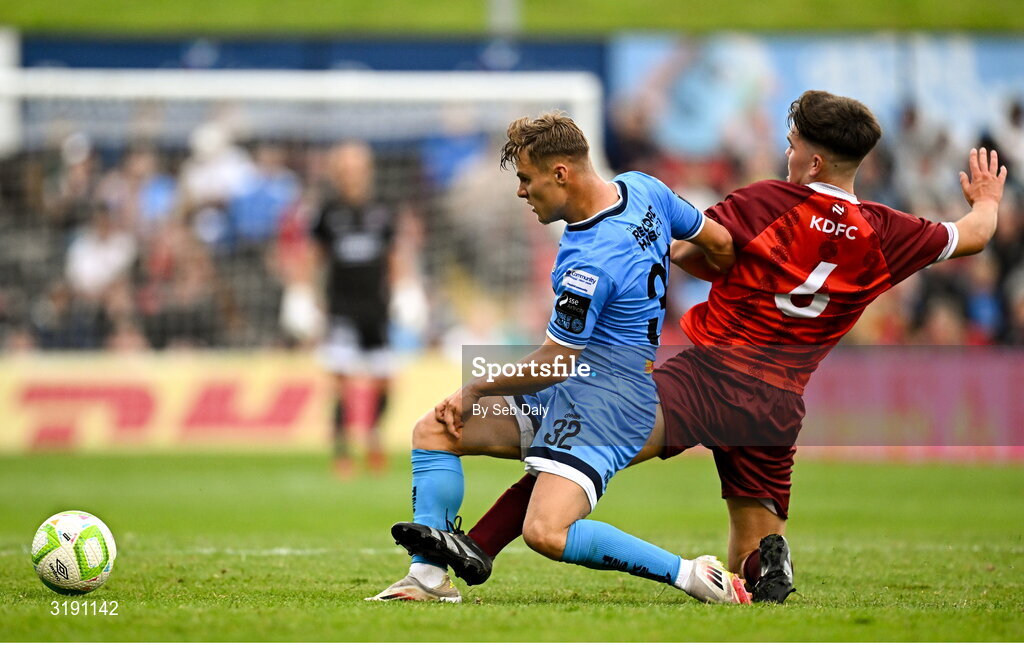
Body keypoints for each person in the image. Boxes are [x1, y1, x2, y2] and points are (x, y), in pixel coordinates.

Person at [392, 90, 1008, 603]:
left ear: (814, 162)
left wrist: (653, 257)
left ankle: (477, 548)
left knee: (575, 448)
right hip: (776, 407)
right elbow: (975, 235)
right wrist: (986, 199)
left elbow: (700, 251)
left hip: (704, 379)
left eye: (793, 146)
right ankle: (765, 571)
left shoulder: (765, 203)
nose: (786, 154)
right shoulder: (886, 230)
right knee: (747, 557)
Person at [368, 112, 740, 604]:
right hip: (573, 390)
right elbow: (720, 244)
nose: (522, 192)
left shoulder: (588, 263)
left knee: (545, 531)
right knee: (435, 429)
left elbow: (553, 362)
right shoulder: (644, 188)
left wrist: (476, 387)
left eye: (526, 178)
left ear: (560, 173)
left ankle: (690, 573)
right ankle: (428, 580)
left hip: (607, 407)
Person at [311, 141, 398, 478]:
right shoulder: (327, 212)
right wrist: (305, 295)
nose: (351, 175)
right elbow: (313, 256)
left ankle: (373, 439)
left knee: (385, 380)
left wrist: (405, 290)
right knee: (341, 380)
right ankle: (342, 450)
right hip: (341, 307)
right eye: (345, 169)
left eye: (357, 168)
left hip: (376, 308)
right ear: (336, 174)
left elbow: (393, 254)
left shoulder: (382, 209)